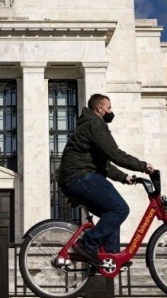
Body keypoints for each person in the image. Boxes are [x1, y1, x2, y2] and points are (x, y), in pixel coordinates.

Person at [58, 93, 154, 266]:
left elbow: (104, 164)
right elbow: (113, 153)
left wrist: (124, 177)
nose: (111, 112)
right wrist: (143, 166)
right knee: (120, 209)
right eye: (109, 108)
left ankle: (110, 257)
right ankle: (87, 243)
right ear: (100, 108)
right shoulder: (95, 124)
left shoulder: (88, 126)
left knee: (110, 213)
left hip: (74, 178)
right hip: (80, 176)